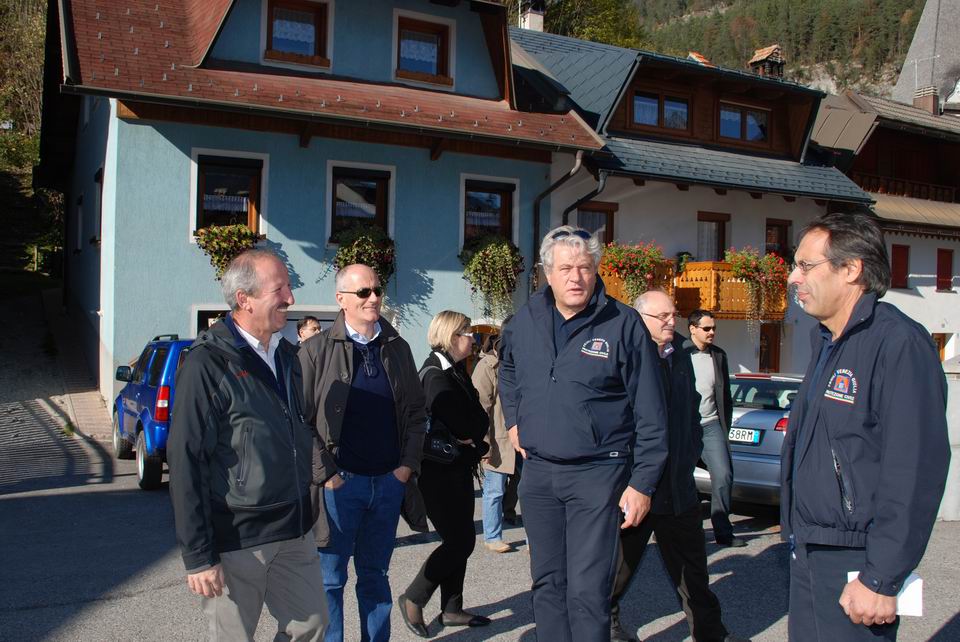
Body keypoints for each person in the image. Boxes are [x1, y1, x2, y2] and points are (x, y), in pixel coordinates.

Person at [781, 211, 950, 641]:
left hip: (857, 560)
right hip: (811, 549)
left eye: (805, 265)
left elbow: (914, 468)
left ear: (851, 269)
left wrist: (881, 576)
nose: (793, 278)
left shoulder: (898, 342)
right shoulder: (827, 342)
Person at [499, 225, 668, 642]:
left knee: (588, 591)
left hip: (598, 474)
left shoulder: (623, 324)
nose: (576, 277)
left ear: (595, 271)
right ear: (547, 273)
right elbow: (508, 369)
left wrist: (642, 484)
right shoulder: (525, 319)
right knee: (547, 584)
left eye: (585, 268)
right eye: (566, 268)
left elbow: (652, 412)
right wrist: (514, 419)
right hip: (539, 474)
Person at [168, 249, 330, 641]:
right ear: (245, 299)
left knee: (312, 625)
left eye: (289, 287)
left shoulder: (288, 356)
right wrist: (199, 555)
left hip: (293, 528)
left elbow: (299, 430)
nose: (290, 298)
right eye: (280, 289)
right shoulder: (208, 364)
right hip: (238, 537)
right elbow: (187, 459)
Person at [299, 264, 427, 642]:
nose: (373, 298)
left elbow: (416, 413)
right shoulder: (315, 350)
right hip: (339, 487)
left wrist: (406, 467)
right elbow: (298, 420)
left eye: (376, 291)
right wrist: (327, 473)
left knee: (375, 578)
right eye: (363, 292)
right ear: (341, 299)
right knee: (329, 581)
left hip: (387, 484)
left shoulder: (397, 347)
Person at [611, 290, 747, 642]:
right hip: (638, 485)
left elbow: (692, 410)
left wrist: (690, 451)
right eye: (663, 317)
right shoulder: (627, 355)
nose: (672, 322)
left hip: (678, 485)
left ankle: (710, 633)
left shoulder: (681, 354)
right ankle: (605, 626)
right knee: (618, 568)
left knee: (693, 569)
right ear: (640, 319)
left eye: (674, 315)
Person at [398, 311, 492, 637]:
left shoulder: (456, 371)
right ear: (452, 337)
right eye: (469, 333)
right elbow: (467, 424)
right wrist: (472, 433)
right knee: (460, 541)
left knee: (461, 538)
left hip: (457, 469)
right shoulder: (435, 375)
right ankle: (414, 596)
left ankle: (452, 609)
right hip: (437, 475)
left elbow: (479, 419)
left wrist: (473, 433)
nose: (474, 339)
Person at [687, 309, 743, 547]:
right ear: (693, 329)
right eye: (706, 328)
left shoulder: (719, 355)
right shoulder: (679, 353)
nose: (712, 332)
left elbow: (725, 395)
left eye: (714, 328)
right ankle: (683, 531)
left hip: (710, 426)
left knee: (723, 475)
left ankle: (723, 531)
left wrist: (724, 427)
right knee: (681, 480)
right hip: (685, 427)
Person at [472, 329, 517, 553]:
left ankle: (535, 540)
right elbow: (480, 408)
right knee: (494, 491)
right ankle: (492, 536)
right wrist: (484, 444)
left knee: (530, 491)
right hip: (498, 440)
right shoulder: (487, 367)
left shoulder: (522, 361)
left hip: (524, 439)